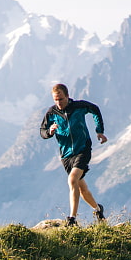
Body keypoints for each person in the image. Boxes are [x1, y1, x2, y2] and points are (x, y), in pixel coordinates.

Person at [40, 83, 108, 226]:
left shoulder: (79, 106)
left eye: (61, 99)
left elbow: (95, 109)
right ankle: (98, 210)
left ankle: (72, 219)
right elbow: (42, 132)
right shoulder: (51, 113)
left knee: (72, 180)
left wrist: (99, 130)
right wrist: (50, 132)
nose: (58, 103)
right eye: (56, 100)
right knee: (82, 188)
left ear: (67, 96)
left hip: (83, 149)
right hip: (66, 155)